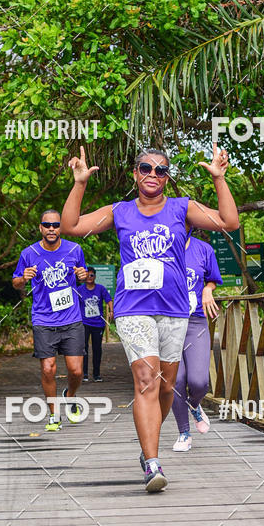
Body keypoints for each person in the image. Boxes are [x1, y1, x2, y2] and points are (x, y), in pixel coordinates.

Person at [60, 143, 239, 492]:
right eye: (146, 168)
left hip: (174, 309)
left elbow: (228, 221)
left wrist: (219, 178)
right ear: (135, 174)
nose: (152, 175)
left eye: (160, 170)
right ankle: (153, 463)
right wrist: (80, 182)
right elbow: (71, 226)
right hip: (134, 309)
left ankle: (148, 450)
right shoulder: (120, 211)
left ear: (167, 178)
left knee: (167, 386)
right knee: (147, 380)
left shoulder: (181, 208)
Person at [12, 209, 88, 430]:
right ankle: (54, 415)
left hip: (71, 318)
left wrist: (81, 277)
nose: (52, 229)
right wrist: (23, 279)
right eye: (47, 225)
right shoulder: (29, 253)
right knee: (48, 368)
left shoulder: (75, 249)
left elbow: (80, 277)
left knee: (76, 371)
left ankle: (70, 395)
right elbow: (16, 281)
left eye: (55, 225)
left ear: (60, 227)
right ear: (40, 228)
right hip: (43, 319)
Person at [172, 228, 222, 451]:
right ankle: (184, 433)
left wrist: (207, 290)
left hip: (196, 322)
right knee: (176, 380)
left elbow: (212, 279)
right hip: (168, 322)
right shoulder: (158, 249)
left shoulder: (204, 249)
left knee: (199, 382)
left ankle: (194, 405)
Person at [78, 266, 113, 381]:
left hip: (98, 323)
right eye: (87, 275)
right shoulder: (80, 290)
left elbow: (108, 299)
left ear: (95, 276)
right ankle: (84, 374)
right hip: (84, 323)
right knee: (83, 348)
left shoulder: (100, 289)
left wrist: (111, 311)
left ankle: (96, 374)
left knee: (97, 349)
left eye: (91, 275)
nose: (89, 277)